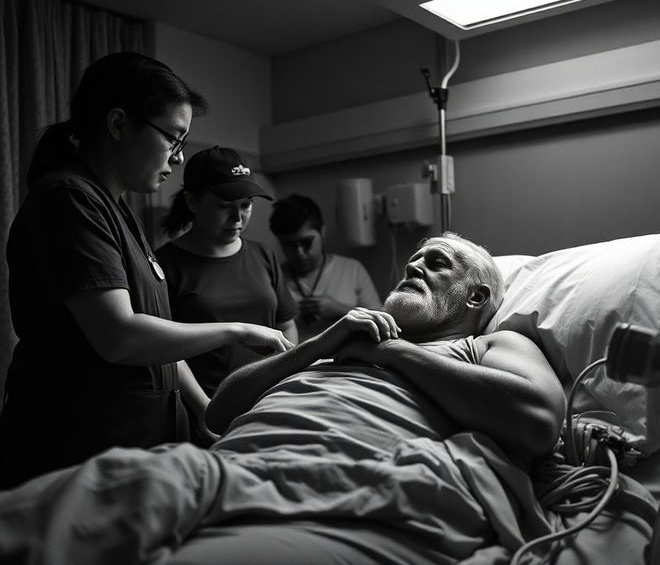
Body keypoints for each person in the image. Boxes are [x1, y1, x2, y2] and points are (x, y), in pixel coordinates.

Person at [0, 232, 567, 564]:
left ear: (476, 298)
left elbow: (537, 421)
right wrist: (316, 346)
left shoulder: (489, 343)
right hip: (225, 467)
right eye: (414, 258)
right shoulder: (344, 341)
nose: (414, 265)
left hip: (345, 485)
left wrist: (394, 356)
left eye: (437, 262)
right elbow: (223, 410)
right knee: (62, 506)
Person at [0, 52, 292, 490]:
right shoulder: (68, 198)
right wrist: (238, 331)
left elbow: (160, 341)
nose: (176, 159)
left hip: (140, 447)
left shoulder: (118, 212)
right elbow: (120, 337)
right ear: (118, 125)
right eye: (173, 139)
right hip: (79, 448)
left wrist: (202, 408)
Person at [155, 146, 298, 445]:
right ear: (192, 201)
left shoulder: (262, 255)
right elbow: (164, 349)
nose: (237, 217)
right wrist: (206, 409)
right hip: (204, 411)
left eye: (246, 205)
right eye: (224, 206)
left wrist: (288, 385)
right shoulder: (165, 264)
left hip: (268, 402)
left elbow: (285, 326)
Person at [269, 193, 382, 341]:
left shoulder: (352, 269)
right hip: (299, 362)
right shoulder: (273, 278)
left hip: (349, 360)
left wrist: (340, 310)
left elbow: (381, 322)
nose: (300, 253)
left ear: (322, 232)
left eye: (307, 242)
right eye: (290, 245)